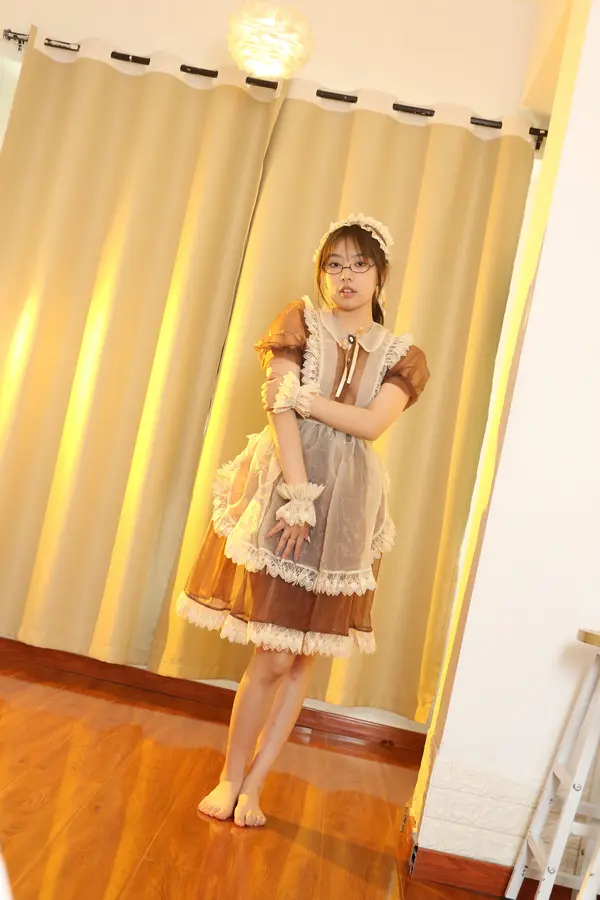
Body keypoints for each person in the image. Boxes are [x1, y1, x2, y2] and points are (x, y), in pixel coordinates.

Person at [177, 213, 430, 827]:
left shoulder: (403, 355)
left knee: (300, 659)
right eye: (334, 265)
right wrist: (297, 493)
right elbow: (277, 406)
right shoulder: (299, 322)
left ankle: (255, 786)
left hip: (349, 509)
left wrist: (307, 399)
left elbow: (372, 425)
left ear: (380, 275)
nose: (346, 276)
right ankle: (229, 777)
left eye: (359, 264)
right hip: (288, 492)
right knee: (272, 653)